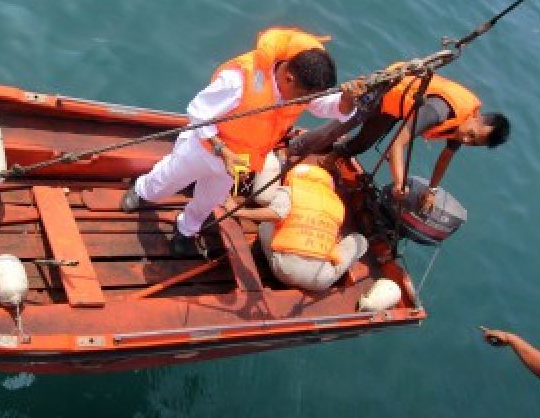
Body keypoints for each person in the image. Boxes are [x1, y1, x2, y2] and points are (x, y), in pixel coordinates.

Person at [122, 27, 367, 256]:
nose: (307, 102)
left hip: (241, 160)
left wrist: (347, 99)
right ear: (289, 78)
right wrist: (222, 150)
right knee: (167, 180)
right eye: (305, 97)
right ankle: (142, 190)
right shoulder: (239, 79)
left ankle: (186, 229)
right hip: (203, 148)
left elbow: (334, 108)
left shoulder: (302, 90)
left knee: (210, 199)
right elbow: (197, 112)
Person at [291, 69, 509, 211]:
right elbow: (397, 144)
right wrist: (399, 182)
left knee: (364, 143)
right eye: (472, 135)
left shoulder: (463, 126)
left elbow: (445, 158)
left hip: (396, 108)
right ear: (477, 118)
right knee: (334, 130)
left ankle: (333, 157)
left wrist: (431, 191)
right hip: (383, 93)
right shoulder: (438, 111)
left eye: (473, 143)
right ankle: (292, 149)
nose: (467, 140)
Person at [222, 162, 367, 291]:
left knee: (266, 225)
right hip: (320, 281)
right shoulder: (337, 204)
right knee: (360, 241)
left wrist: (237, 211)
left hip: (285, 271)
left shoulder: (289, 191)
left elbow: (276, 214)